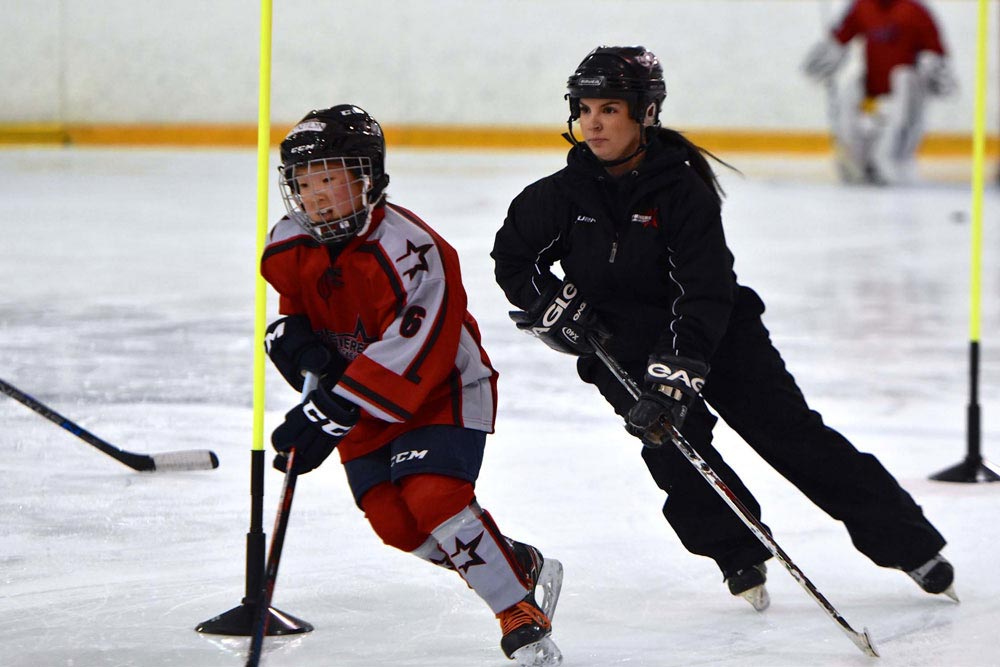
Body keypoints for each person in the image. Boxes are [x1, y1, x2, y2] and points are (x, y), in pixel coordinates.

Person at [492, 46, 956, 614]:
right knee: (673, 448)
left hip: (721, 335)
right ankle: (737, 552)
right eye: (585, 107)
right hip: (621, 344)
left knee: (792, 437)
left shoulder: (681, 190)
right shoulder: (558, 196)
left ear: (646, 112)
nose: (593, 121)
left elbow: (706, 288)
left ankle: (910, 546)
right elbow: (513, 259)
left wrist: (678, 370)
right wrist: (549, 304)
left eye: (610, 108)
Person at [261, 104, 563, 667]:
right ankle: (514, 562)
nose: (316, 195)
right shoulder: (287, 241)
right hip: (359, 400)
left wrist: (327, 414)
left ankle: (515, 607)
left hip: (441, 388)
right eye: (304, 182)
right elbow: (291, 311)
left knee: (434, 498)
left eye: (329, 177)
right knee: (397, 525)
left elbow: (414, 348)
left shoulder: (412, 249)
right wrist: (295, 344)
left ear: (367, 177)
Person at [802, 0, 956, 184]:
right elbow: (840, 39)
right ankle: (856, 158)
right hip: (871, 97)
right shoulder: (862, 7)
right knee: (850, 89)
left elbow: (935, 55)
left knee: (904, 78)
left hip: (903, 98)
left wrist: (935, 74)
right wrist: (828, 56)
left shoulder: (915, 12)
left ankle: (892, 159)